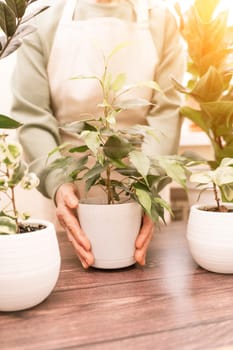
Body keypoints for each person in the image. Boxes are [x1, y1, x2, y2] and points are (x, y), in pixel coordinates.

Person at [11, 0, 186, 269]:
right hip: (69, 199)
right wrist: (58, 185)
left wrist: (147, 191)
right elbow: (32, 115)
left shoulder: (161, 21)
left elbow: (166, 113)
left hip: (141, 191)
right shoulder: (42, 21)